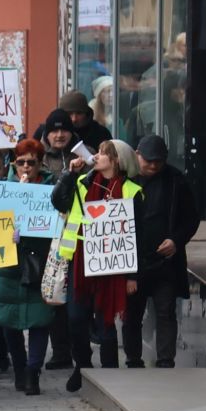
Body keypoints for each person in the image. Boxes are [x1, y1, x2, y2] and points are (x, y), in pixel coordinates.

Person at [52, 139, 142, 392]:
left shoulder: (132, 191)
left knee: (106, 321)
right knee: (75, 318)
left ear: (116, 160)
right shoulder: (83, 182)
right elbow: (58, 202)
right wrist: (70, 174)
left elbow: (138, 237)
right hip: (81, 260)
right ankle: (82, 366)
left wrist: (132, 276)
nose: (97, 156)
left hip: (111, 266)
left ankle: (110, 373)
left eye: (103, 153)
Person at [123, 133, 198, 369]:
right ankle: (133, 359)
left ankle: (166, 360)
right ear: (137, 155)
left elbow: (191, 218)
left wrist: (176, 240)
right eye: (149, 160)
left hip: (165, 261)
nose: (154, 165)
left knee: (165, 311)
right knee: (132, 314)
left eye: (159, 161)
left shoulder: (176, 180)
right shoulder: (126, 178)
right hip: (134, 260)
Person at [0, 139, 54, 394]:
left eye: (32, 162)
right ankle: (19, 368)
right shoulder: (4, 189)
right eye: (21, 162)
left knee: (40, 319)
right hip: (8, 264)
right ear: (14, 164)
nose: (26, 167)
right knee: (9, 319)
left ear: (40, 164)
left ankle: (32, 371)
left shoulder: (50, 189)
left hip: (38, 261)